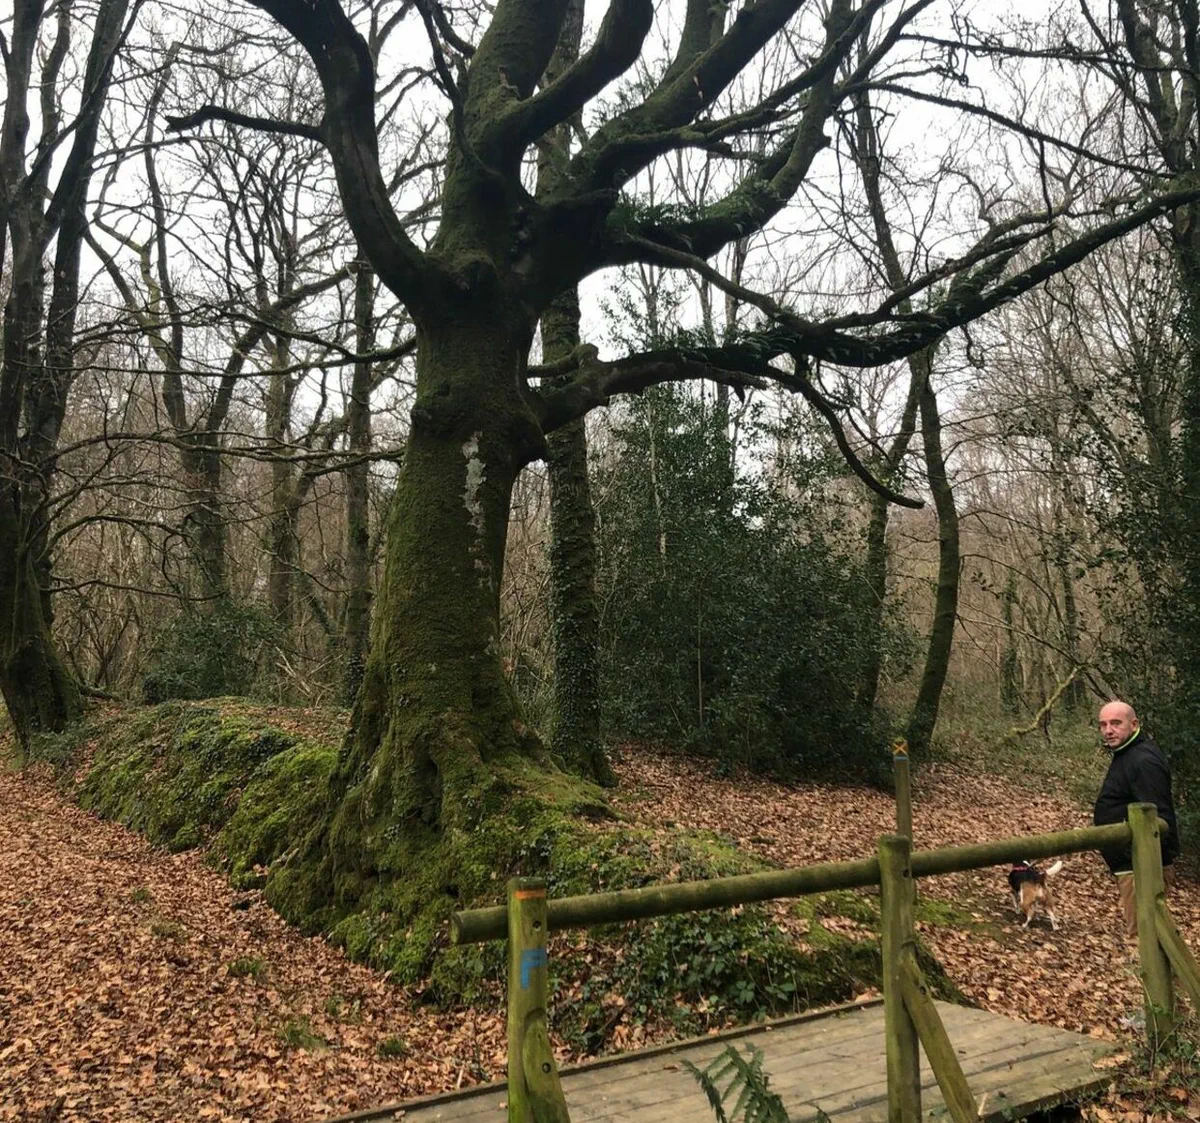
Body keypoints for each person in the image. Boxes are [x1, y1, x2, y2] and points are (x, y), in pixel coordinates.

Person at [1092, 700, 1179, 942]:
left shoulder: (1143, 760)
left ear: (1134, 724)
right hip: (1131, 863)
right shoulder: (1127, 754)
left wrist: (1147, 863)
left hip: (1142, 865)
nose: (1108, 730)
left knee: (1145, 937)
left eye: (1115, 723)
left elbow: (1157, 817)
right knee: (1150, 934)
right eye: (1103, 725)